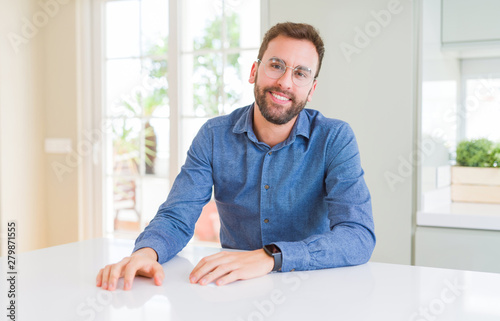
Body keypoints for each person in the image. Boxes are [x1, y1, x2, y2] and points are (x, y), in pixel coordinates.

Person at [96, 22, 375, 291]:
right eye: (276, 66)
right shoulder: (214, 136)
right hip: (232, 288)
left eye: (300, 73)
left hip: (312, 286)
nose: (285, 83)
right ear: (254, 70)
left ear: (311, 89)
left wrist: (271, 257)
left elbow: (358, 235)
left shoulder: (335, 138)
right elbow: (177, 215)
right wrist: (146, 254)